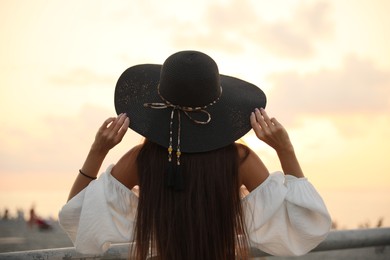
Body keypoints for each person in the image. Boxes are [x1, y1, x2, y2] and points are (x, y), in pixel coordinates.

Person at [59, 50, 331, 259]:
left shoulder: (141, 160)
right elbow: (306, 226)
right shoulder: (239, 160)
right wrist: (285, 150)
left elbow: (76, 217)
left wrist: (98, 151)